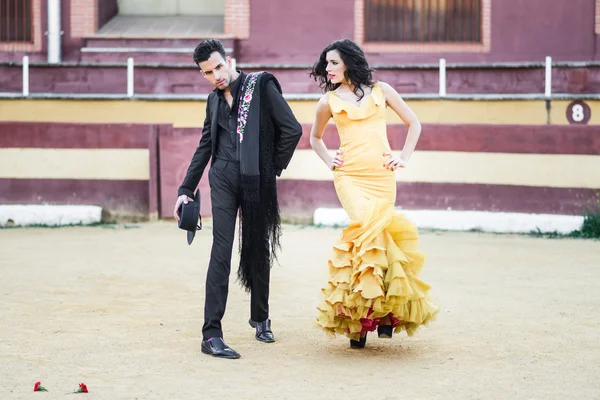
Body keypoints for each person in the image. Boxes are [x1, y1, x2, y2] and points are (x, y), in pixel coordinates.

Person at [174, 39, 303, 359]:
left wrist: (270, 167)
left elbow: (292, 129)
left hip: (256, 181)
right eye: (207, 72)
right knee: (221, 249)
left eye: (218, 66)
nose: (215, 75)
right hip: (222, 181)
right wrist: (185, 190)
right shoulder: (213, 101)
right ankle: (211, 333)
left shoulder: (259, 86)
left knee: (257, 246)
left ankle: (261, 318)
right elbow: (205, 146)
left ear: (228, 60)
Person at [309, 39, 438, 348]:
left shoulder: (382, 91)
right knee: (367, 236)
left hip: (382, 177)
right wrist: (330, 160)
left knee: (381, 242)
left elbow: (414, 123)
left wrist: (403, 157)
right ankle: (357, 323)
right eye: (326, 64)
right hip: (350, 178)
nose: (328, 69)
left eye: (333, 63)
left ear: (350, 63)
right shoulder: (327, 101)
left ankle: (382, 317)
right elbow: (314, 138)